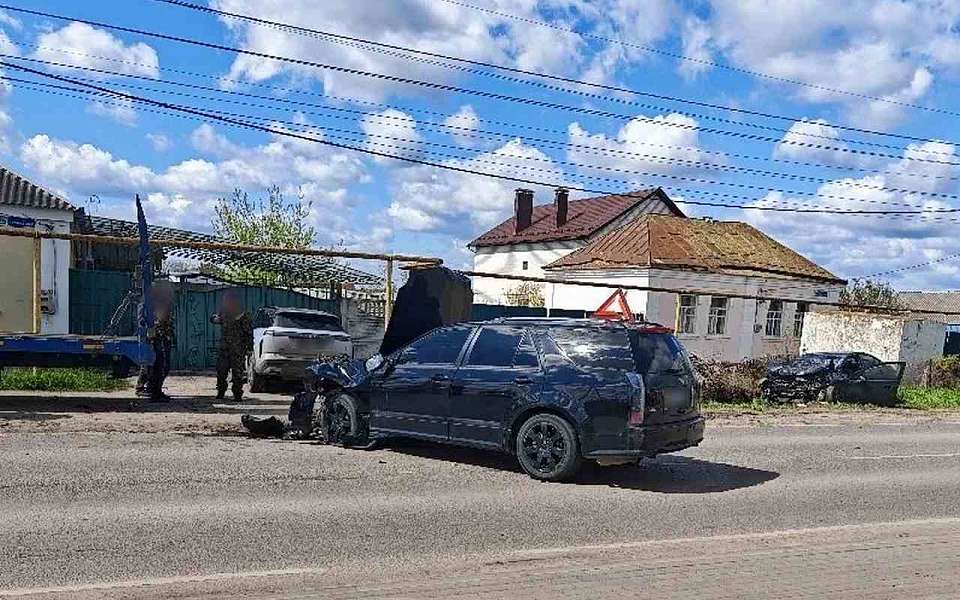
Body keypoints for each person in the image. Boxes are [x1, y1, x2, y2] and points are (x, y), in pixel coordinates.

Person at [210, 291, 253, 401]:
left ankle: (237, 394)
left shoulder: (243, 314)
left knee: (237, 373)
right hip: (224, 348)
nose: (227, 302)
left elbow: (248, 333)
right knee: (221, 371)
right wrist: (214, 318)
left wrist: (249, 348)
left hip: (238, 349)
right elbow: (215, 320)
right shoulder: (224, 312)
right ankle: (221, 392)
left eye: (229, 300)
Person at [136, 282, 175, 402]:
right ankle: (152, 391)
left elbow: (168, 322)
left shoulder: (165, 304)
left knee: (162, 365)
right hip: (153, 338)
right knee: (154, 365)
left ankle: (155, 390)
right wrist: (148, 328)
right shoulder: (148, 302)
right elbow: (141, 318)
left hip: (164, 337)